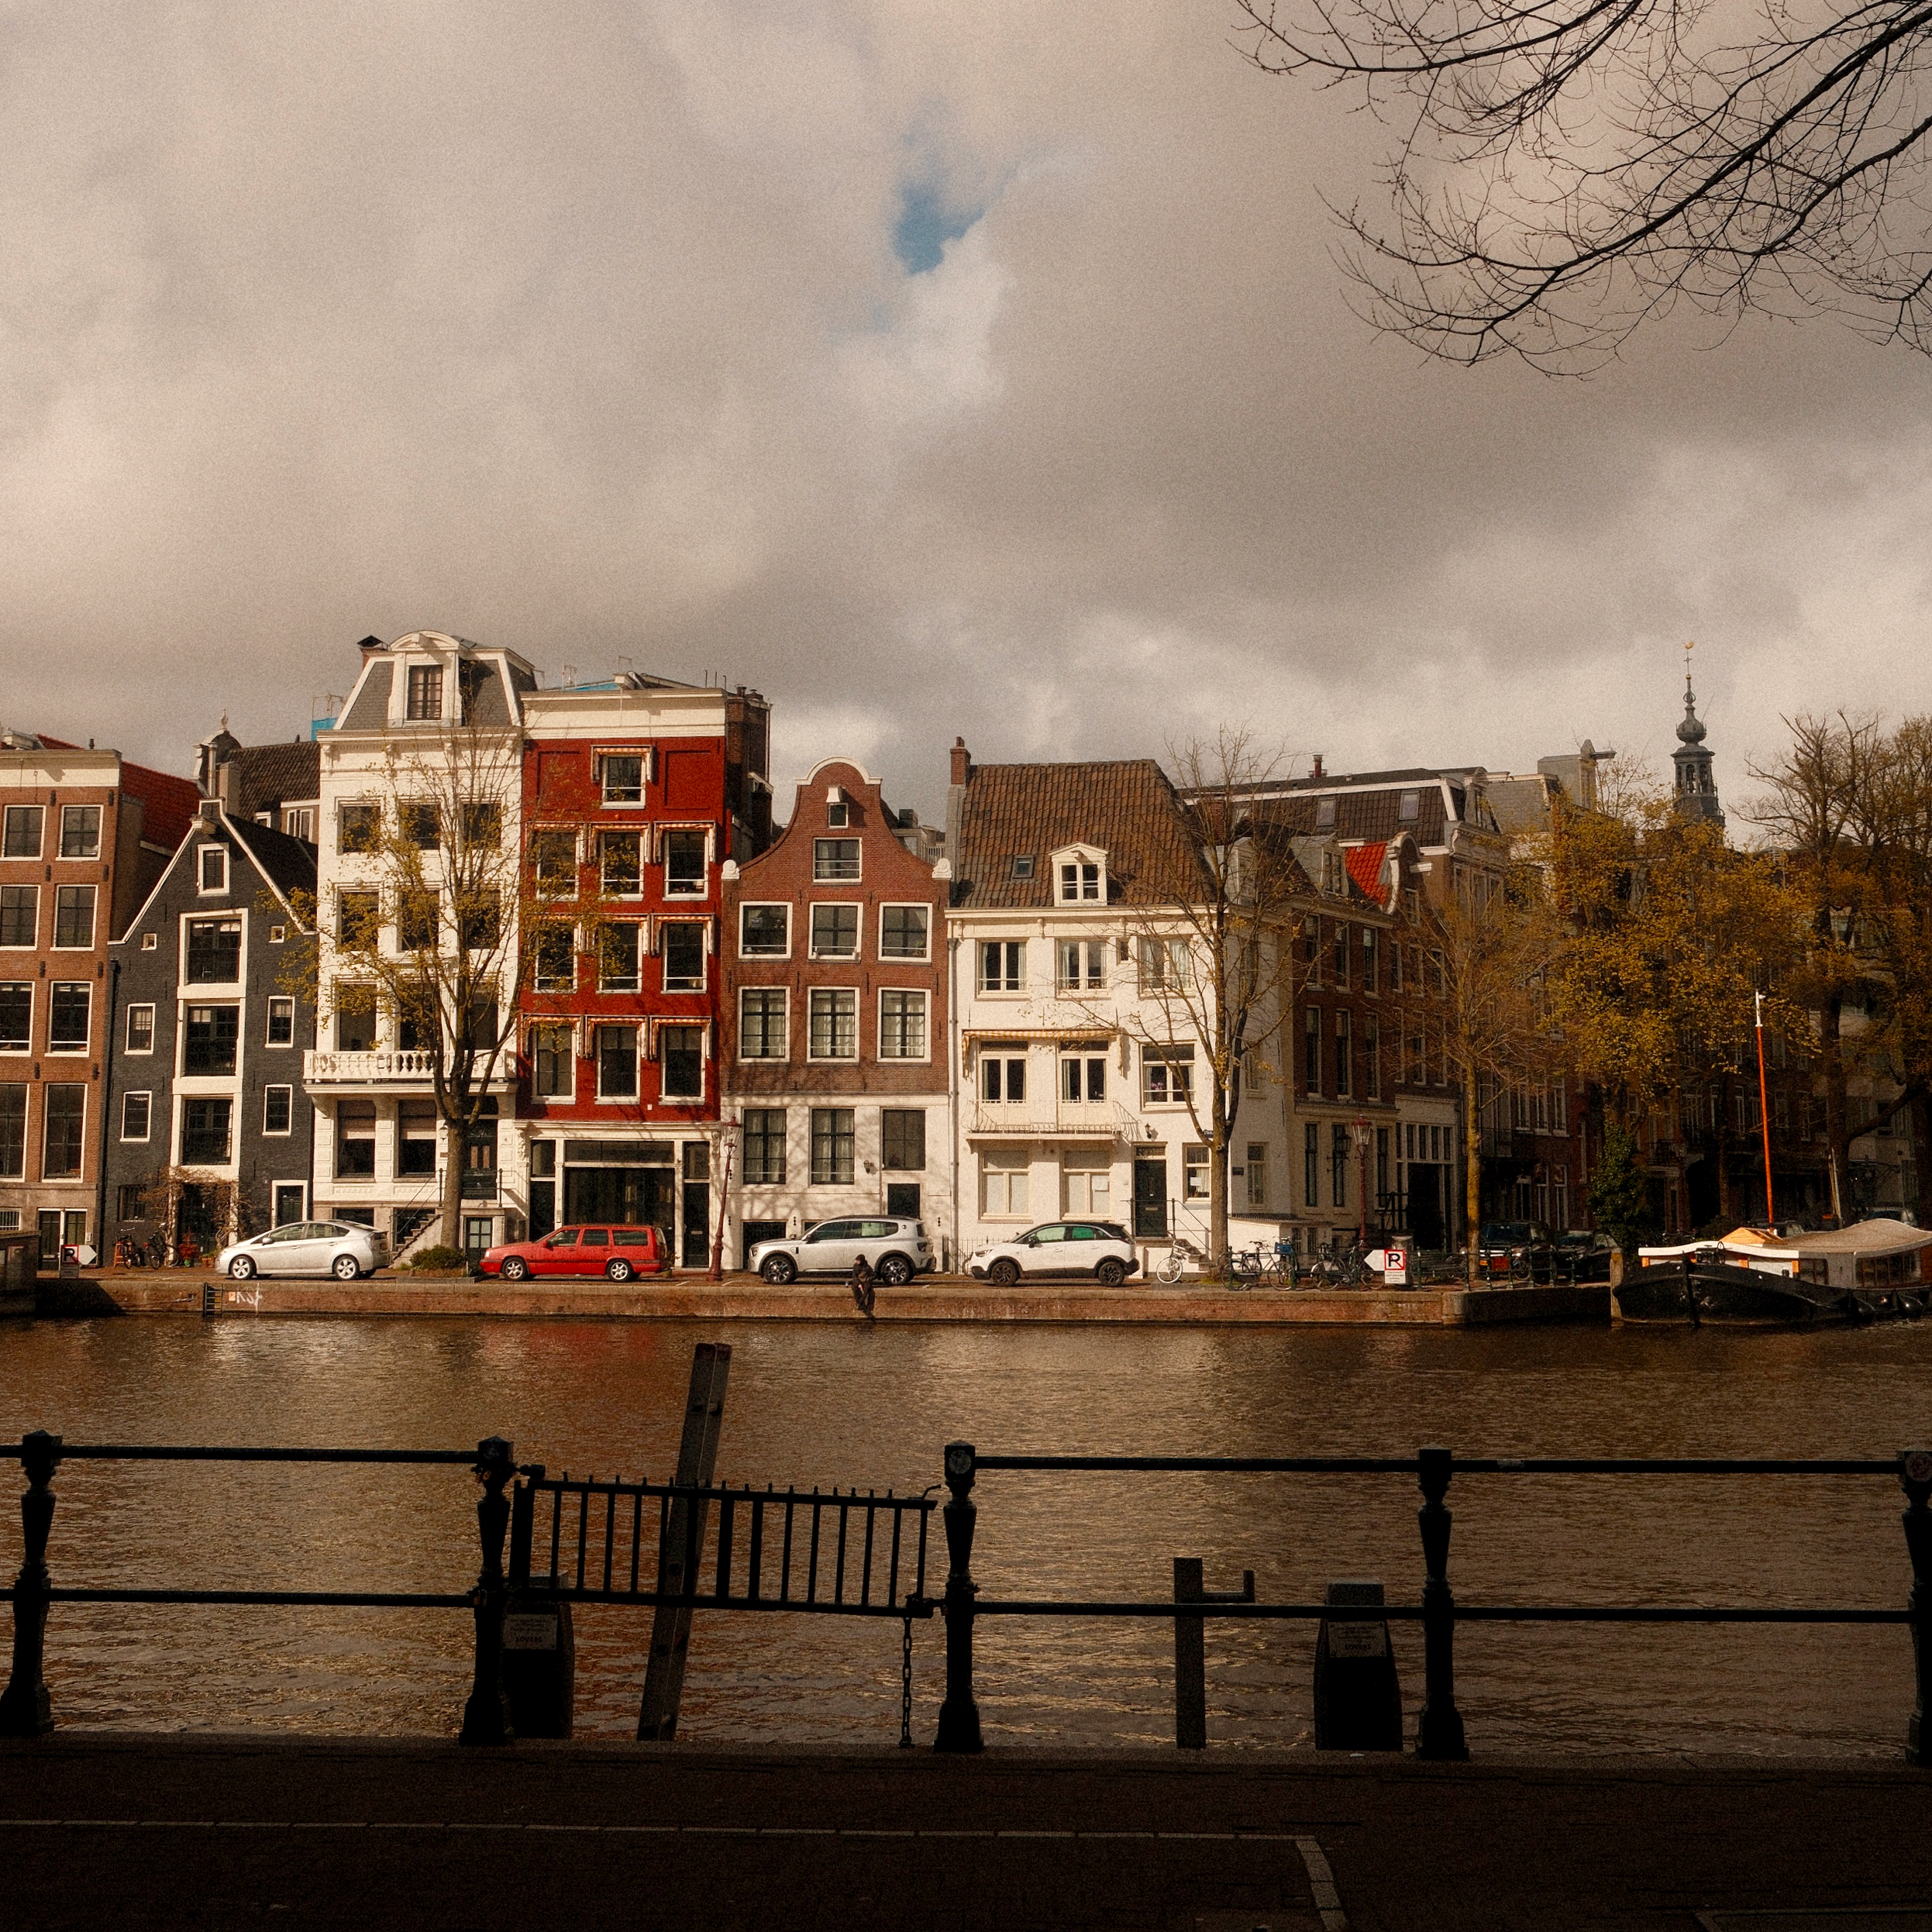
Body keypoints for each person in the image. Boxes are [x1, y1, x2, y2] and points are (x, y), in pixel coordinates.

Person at [849, 1252, 876, 1320]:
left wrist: (868, 1279)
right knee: (855, 1289)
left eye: (858, 1260)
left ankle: (860, 1303)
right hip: (858, 1281)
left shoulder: (867, 1267)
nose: (857, 1262)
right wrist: (859, 1283)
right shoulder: (855, 1266)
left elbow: (874, 1275)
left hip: (866, 1282)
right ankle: (860, 1304)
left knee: (866, 1290)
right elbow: (854, 1276)